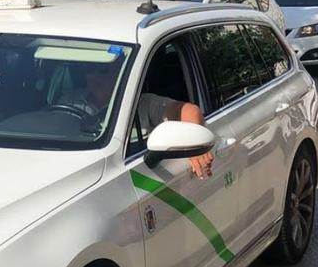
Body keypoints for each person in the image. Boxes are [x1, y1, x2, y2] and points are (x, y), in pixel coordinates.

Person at [68, 62, 213, 179]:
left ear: (119, 75)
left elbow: (188, 110)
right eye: (89, 70)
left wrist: (195, 146)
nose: (95, 78)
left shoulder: (143, 104)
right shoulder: (69, 101)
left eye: (103, 70)